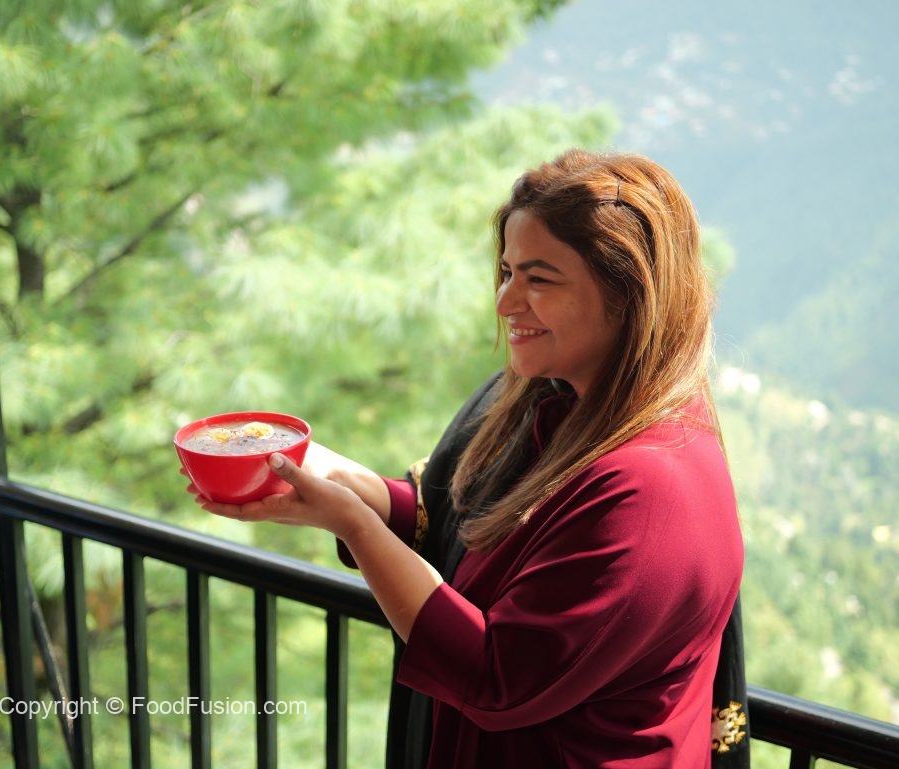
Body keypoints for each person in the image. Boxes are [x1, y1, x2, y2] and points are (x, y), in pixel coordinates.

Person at [191, 148, 749, 768]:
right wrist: (324, 473)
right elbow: (460, 526)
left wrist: (353, 524)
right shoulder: (553, 399)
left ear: (629, 296)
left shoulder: (651, 488)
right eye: (507, 271)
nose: (506, 302)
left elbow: (496, 676)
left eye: (540, 279)